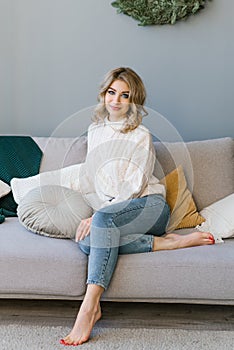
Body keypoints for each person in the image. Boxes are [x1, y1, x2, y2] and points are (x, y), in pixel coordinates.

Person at [60, 67, 215, 346]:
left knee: (100, 227)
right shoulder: (95, 132)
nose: (116, 100)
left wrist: (99, 214)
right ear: (103, 94)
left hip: (148, 207)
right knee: (86, 242)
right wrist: (96, 211)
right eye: (112, 92)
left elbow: (133, 185)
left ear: (134, 101)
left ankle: (89, 307)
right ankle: (166, 244)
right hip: (113, 213)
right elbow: (93, 177)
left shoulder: (140, 135)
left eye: (125, 95)